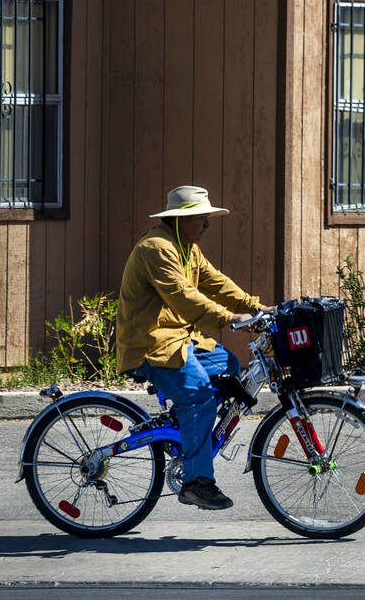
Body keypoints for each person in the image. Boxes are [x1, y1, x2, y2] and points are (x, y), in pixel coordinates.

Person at [116, 185, 270, 510]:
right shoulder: (157, 248)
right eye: (202, 218)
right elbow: (183, 299)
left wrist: (258, 309)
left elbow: (217, 283)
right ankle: (197, 482)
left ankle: (186, 428)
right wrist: (230, 319)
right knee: (200, 394)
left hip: (179, 340)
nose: (207, 225)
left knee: (227, 364)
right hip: (152, 345)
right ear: (182, 219)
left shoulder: (187, 248)